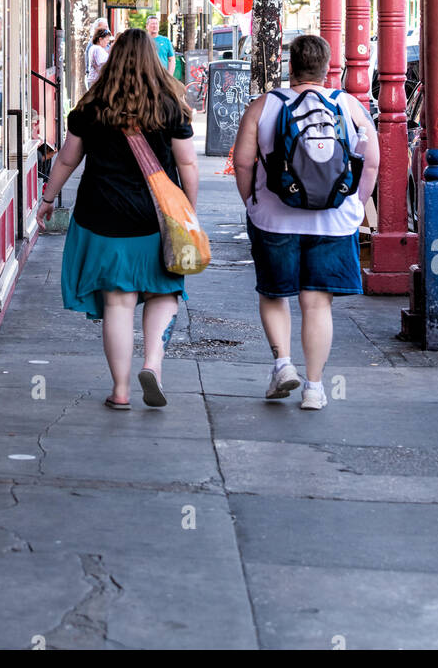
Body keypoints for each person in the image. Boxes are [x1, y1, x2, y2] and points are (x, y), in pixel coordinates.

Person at [36, 28, 198, 409]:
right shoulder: (170, 106)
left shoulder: (92, 107)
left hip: (102, 217)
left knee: (118, 304)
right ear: (152, 61)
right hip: (155, 221)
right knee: (165, 291)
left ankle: (121, 391)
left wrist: (46, 199)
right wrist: (188, 213)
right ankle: (153, 366)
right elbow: (188, 165)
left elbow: (66, 159)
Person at [232, 34, 379, 411]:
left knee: (274, 294)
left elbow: (243, 162)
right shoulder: (347, 105)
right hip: (334, 222)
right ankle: (314, 388)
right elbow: (372, 161)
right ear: (329, 68)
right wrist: (356, 204)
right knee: (316, 304)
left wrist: (252, 201)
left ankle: (282, 365)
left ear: (291, 66)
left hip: (274, 219)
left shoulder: (264, 106)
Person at [84, 17, 109, 90]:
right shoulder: (95, 46)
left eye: (107, 27)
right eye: (104, 27)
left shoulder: (104, 44)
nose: (106, 29)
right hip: (97, 81)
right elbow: (98, 65)